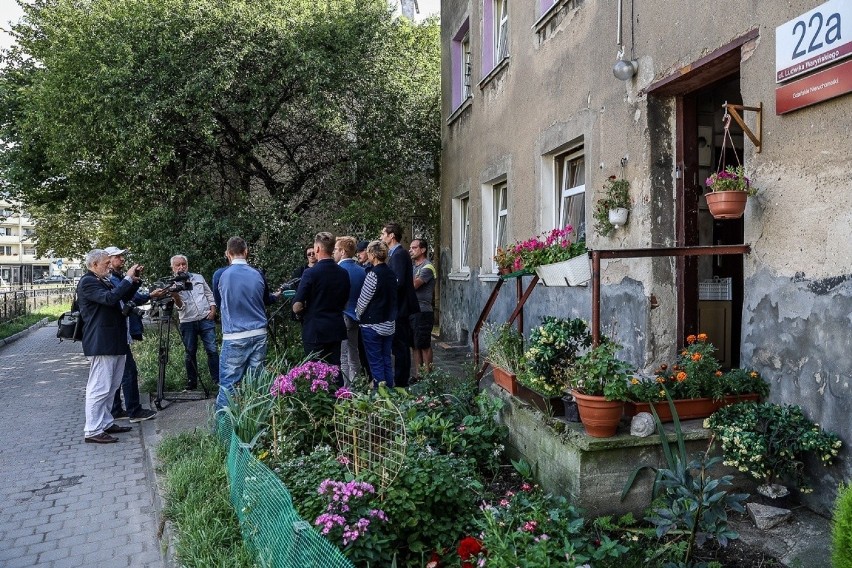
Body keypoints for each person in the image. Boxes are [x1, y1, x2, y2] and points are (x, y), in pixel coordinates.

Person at [77, 249, 143, 443]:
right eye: (106, 263)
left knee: (112, 386)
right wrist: (127, 279)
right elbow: (110, 299)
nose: (109, 265)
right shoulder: (88, 281)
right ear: (94, 264)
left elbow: (121, 297)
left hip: (115, 340)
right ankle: (93, 429)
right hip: (102, 342)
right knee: (99, 387)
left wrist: (133, 281)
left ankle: (105, 422)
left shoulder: (103, 280)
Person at [216, 237, 279, 411]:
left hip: (234, 335)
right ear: (246, 252)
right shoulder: (258, 274)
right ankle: (259, 422)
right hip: (259, 333)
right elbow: (266, 299)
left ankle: (224, 429)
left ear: (228, 254)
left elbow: (219, 301)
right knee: (258, 381)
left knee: (228, 385)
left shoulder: (220, 275)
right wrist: (276, 295)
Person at [104, 247, 157, 423]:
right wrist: (144, 291)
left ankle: (117, 409)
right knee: (128, 372)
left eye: (122, 256)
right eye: (118, 256)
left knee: (118, 374)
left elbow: (128, 295)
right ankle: (134, 411)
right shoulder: (111, 279)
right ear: (108, 260)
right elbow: (124, 298)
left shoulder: (116, 278)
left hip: (120, 332)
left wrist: (135, 282)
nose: (122, 259)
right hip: (115, 333)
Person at [292, 232, 350, 374]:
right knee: (335, 370)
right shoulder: (343, 273)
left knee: (315, 372)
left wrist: (303, 311)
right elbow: (345, 300)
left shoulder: (310, 273)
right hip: (335, 326)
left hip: (315, 330)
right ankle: (338, 395)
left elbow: (296, 306)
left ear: (317, 248)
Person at [167, 255, 219, 391]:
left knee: (212, 350)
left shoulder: (198, 277)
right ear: (173, 268)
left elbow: (209, 294)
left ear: (187, 264)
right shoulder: (172, 283)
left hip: (205, 318)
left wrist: (213, 310)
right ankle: (192, 383)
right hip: (187, 321)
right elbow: (180, 307)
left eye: (183, 264)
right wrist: (175, 295)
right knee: (190, 352)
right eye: (177, 265)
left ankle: (217, 380)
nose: (181, 267)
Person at [381, 222, 419, 387]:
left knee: (400, 346)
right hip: (400, 307)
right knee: (399, 346)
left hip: (400, 308)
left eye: (383, 233)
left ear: (391, 236)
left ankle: (401, 381)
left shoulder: (398, 254)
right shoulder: (396, 254)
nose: (381, 236)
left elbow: (398, 282)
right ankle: (400, 379)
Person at [355, 240, 397, 387]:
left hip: (372, 324)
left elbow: (363, 300)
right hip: (389, 323)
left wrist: (358, 314)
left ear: (372, 254)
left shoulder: (373, 274)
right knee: (386, 359)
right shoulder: (391, 273)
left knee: (375, 362)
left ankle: (380, 394)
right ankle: (390, 391)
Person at [334, 236, 366, 384]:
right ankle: (357, 384)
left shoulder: (338, 270)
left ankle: (346, 388)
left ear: (342, 251)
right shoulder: (361, 270)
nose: (334, 252)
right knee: (354, 353)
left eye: (335, 249)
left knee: (343, 356)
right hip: (356, 315)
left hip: (342, 315)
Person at [409, 238, 436, 381]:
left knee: (424, 344)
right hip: (413, 310)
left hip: (424, 311)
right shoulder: (413, 267)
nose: (411, 250)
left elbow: (414, 285)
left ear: (423, 249)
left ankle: (429, 376)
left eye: (414, 248)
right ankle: (418, 374)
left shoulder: (428, 267)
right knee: (414, 344)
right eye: (411, 248)